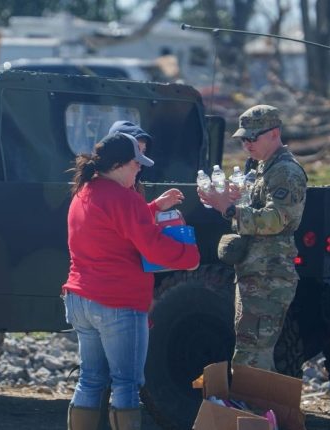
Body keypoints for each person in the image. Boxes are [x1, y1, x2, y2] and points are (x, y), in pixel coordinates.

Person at [62, 132, 200, 430]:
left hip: (80, 299)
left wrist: (152, 208)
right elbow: (151, 246)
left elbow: (116, 225)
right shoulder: (125, 198)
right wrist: (190, 257)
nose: (140, 169)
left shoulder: (84, 191)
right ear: (121, 164)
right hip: (118, 302)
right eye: (137, 164)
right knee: (126, 384)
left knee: (91, 379)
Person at [198, 105, 307, 371]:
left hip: (269, 275)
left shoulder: (285, 171)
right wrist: (237, 200)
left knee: (252, 355)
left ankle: (253, 411)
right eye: (244, 138)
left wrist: (229, 208)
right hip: (257, 272)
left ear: (274, 133)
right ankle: (256, 410)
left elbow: (277, 219)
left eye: (253, 137)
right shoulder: (263, 168)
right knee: (250, 347)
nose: (247, 144)